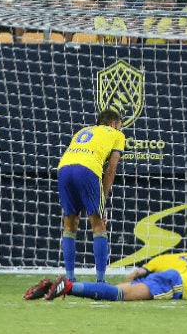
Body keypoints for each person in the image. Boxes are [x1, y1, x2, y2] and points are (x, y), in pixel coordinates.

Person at [57, 109, 125, 283]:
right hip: (87, 169)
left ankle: (70, 279)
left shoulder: (83, 131)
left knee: (70, 223)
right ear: (112, 124)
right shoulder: (117, 135)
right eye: (120, 125)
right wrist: (104, 198)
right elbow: (111, 169)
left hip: (64, 168)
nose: (121, 129)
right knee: (98, 223)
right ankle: (101, 281)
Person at [24, 261, 187, 301]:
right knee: (120, 296)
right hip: (174, 286)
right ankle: (66, 286)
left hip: (173, 277)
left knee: (112, 291)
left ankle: (63, 286)